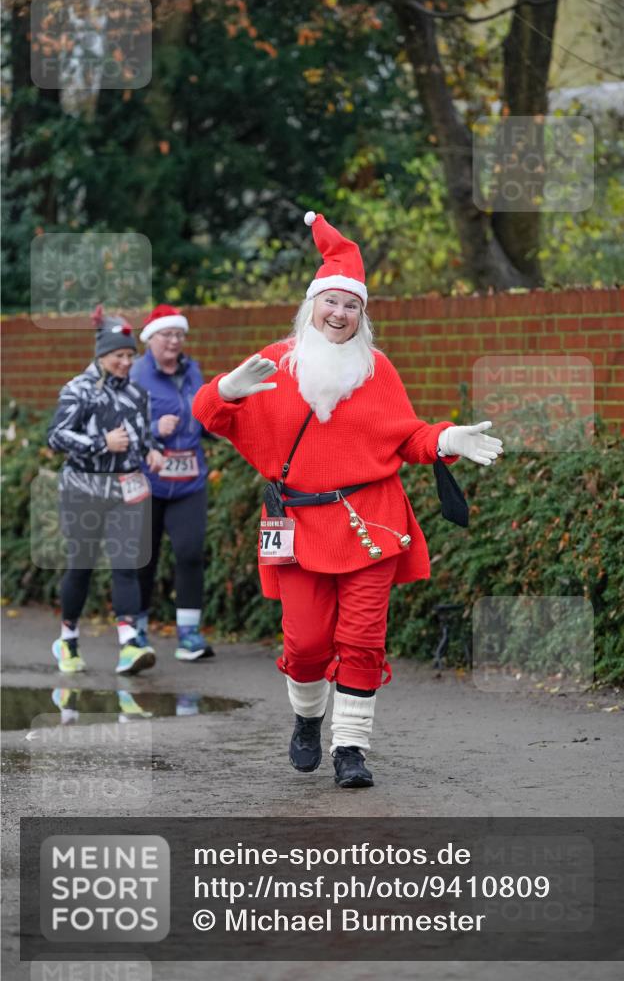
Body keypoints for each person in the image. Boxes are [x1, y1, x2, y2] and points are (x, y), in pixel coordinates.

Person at [192, 213, 503, 788]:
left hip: (369, 521)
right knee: (306, 643)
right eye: (331, 302)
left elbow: (405, 436)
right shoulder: (276, 362)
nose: (340, 314)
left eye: (351, 306)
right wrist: (226, 391)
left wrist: (446, 439)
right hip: (299, 524)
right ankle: (308, 719)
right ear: (312, 304)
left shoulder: (376, 367)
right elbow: (208, 415)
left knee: (362, 638)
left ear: (363, 313)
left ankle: (351, 748)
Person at [48, 307, 164, 675]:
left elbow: (141, 437)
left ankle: (129, 644)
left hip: (125, 490)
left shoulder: (137, 394)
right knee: (80, 566)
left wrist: (151, 451)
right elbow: (55, 437)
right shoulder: (77, 390)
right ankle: (67, 640)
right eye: (119, 356)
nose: (126, 362)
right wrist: (101, 442)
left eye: (130, 356)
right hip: (83, 487)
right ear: (102, 355)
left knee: (126, 564)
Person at [130, 304, 214, 661]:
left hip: (190, 480)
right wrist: (153, 430)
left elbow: (205, 415)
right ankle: (136, 632)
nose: (174, 341)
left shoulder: (192, 371)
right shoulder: (135, 375)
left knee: (190, 552)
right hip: (148, 481)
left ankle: (189, 635)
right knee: (144, 559)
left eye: (179, 335)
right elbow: (118, 427)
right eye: (167, 335)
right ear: (151, 339)